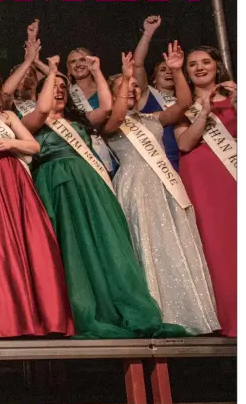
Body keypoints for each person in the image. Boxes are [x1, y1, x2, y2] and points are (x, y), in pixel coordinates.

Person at [29, 71, 187, 339]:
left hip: (89, 183)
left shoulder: (77, 120)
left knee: (102, 242)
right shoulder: (33, 121)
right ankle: (78, 308)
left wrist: (100, 71)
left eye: (63, 88)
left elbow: (105, 107)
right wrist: (52, 72)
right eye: (52, 87)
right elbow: (43, 107)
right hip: (55, 185)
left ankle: (118, 306)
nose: (58, 91)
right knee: (69, 246)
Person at [0, 29, 74, 339]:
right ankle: (3, 317)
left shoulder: (7, 115)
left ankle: (35, 318)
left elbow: (34, 146)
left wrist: (11, 143)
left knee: (27, 244)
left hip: (15, 180)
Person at [104, 47, 219, 334]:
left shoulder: (152, 119)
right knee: (145, 244)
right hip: (135, 186)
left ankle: (184, 313)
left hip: (164, 186)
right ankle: (153, 310)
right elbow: (117, 116)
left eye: (134, 88)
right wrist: (126, 77)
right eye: (125, 88)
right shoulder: (110, 124)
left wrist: (178, 70)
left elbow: (182, 102)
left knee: (173, 244)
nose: (131, 92)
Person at [175, 46, 237, 337]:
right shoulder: (183, 103)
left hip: (232, 178)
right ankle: (227, 321)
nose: (199, 68)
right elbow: (184, 144)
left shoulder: (236, 96)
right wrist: (204, 113)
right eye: (192, 64)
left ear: (217, 66)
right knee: (213, 247)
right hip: (201, 181)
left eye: (205, 62)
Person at [133, 16, 180, 170]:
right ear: (153, 79)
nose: (168, 73)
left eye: (171, 69)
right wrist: (148, 33)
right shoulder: (146, 95)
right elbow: (138, 64)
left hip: (184, 160)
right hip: (157, 163)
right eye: (163, 70)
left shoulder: (187, 100)